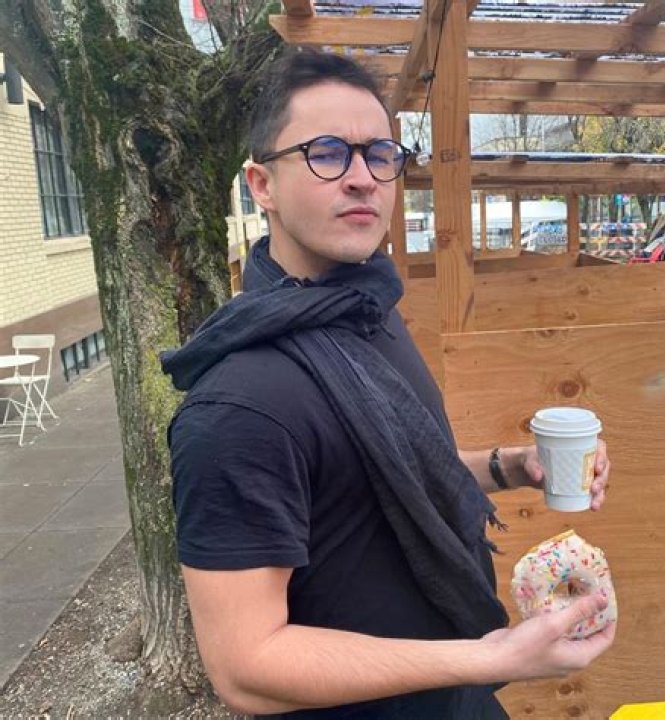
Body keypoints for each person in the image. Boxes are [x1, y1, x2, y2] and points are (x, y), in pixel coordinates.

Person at [161, 49, 614, 719]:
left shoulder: (365, 311)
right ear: (261, 184)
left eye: (379, 155)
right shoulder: (239, 408)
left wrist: (511, 465)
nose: (362, 178)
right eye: (325, 153)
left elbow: (384, 473)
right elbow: (245, 668)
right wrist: (492, 658)